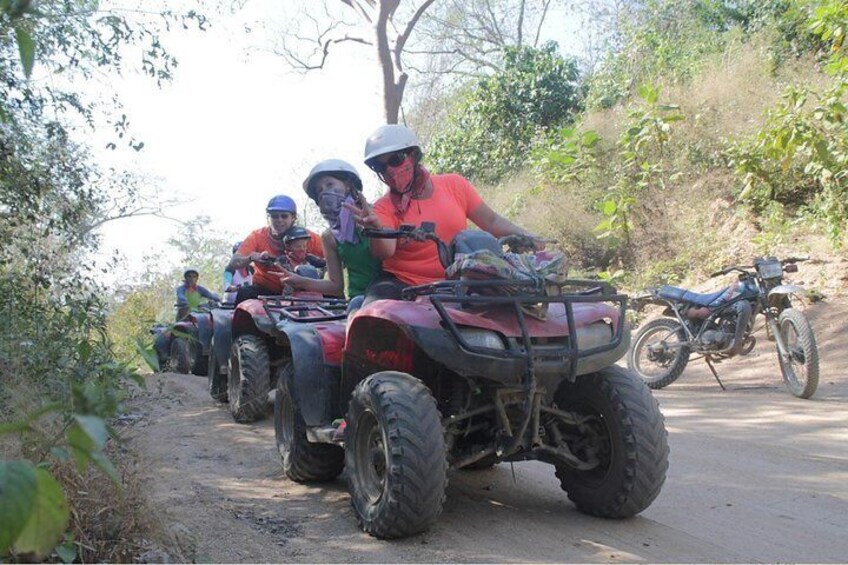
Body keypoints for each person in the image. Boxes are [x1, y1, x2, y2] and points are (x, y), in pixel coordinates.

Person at [349, 124, 537, 302]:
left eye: (395, 160)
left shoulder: (454, 185)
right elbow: (384, 251)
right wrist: (376, 229)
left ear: (413, 156)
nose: (389, 170)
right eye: (380, 166)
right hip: (402, 285)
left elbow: (492, 221)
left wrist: (527, 236)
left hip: (458, 280)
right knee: (377, 313)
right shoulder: (384, 207)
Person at [278, 159, 380, 309]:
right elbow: (336, 286)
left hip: (393, 294)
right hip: (360, 302)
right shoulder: (330, 237)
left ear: (348, 185)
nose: (325, 192)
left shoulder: (379, 214)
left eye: (330, 184)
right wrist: (299, 280)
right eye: (320, 190)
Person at [229, 194, 324, 303]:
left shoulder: (306, 237)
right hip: (265, 290)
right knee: (245, 294)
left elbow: (334, 257)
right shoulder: (257, 236)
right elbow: (234, 262)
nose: (279, 220)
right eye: (274, 216)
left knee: (333, 294)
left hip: (301, 288)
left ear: (293, 218)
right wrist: (251, 257)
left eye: (284, 216)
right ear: (268, 217)